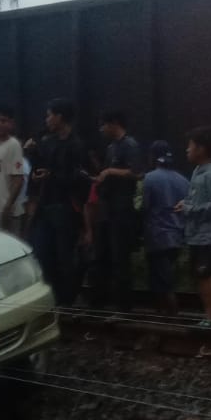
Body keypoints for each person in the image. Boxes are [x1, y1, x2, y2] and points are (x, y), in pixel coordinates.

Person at [31, 99, 94, 307]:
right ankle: (55, 298)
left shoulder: (77, 145)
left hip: (66, 208)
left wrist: (51, 176)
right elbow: (43, 168)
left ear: (60, 117)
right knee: (43, 254)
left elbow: (80, 179)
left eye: (50, 115)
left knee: (64, 257)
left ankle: (67, 300)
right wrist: (38, 170)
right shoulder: (49, 142)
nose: (47, 119)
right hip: (46, 206)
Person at [92, 110, 142, 312]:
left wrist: (110, 172)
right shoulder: (112, 147)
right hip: (108, 207)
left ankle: (125, 308)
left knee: (121, 258)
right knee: (103, 255)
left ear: (114, 123)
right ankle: (101, 303)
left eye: (103, 124)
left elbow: (137, 172)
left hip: (122, 209)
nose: (101, 129)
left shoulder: (129, 145)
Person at [177, 126, 211, 329]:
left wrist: (189, 208)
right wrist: (185, 204)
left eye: (190, 146)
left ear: (201, 149)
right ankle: (209, 316)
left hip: (209, 235)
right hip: (197, 234)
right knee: (200, 276)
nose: (187, 150)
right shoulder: (197, 171)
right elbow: (197, 201)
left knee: (206, 275)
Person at [141, 140, 188, 317]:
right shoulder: (183, 180)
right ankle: (163, 318)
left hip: (157, 235)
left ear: (153, 157)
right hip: (177, 235)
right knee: (165, 276)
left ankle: (171, 316)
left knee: (161, 280)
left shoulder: (150, 178)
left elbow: (145, 206)